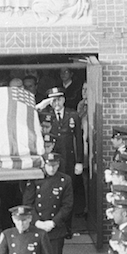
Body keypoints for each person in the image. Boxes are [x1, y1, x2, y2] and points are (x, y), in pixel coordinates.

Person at [23, 152, 73, 254]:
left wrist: (54, 222)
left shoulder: (65, 180)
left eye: (55, 165)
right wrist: (37, 222)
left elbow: (67, 205)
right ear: (44, 164)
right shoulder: (34, 179)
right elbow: (28, 203)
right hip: (37, 228)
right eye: (49, 165)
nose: (52, 168)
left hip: (55, 228)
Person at [41, 87, 84, 221]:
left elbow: (78, 139)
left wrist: (79, 161)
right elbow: (32, 112)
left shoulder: (73, 115)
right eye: (53, 100)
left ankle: (68, 227)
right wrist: (44, 104)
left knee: (67, 191)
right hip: (50, 160)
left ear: (64, 99)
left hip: (68, 159)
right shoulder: (45, 115)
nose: (57, 103)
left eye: (59, 99)